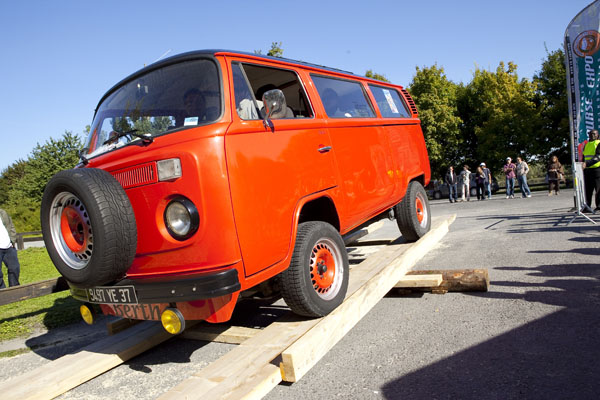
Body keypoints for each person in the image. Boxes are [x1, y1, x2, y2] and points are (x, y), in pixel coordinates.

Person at [0, 208, 20, 289]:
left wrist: (12, 240)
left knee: (15, 268)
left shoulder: (2, 213)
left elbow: (11, 226)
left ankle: (14, 288)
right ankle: (2, 291)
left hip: (8, 246)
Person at [582, 129, 600, 210]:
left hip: (597, 169)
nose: (592, 135)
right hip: (587, 170)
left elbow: (598, 157)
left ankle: (599, 206)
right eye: (590, 134)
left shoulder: (598, 143)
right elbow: (584, 156)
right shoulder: (587, 144)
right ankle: (587, 206)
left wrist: (587, 163)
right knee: (587, 190)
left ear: (597, 135)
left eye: (594, 134)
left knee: (598, 189)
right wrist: (582, 164)